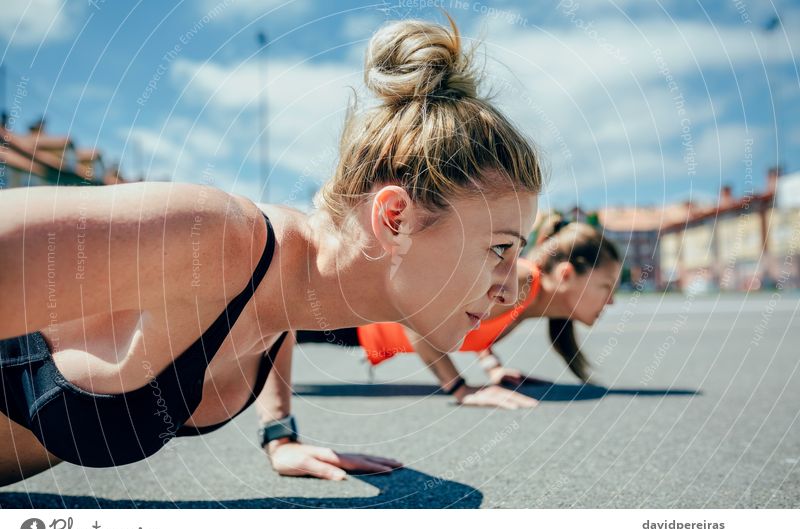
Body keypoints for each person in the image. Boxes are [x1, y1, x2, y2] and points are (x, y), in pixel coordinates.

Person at [0, 15, 543, 485]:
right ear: (394, 218)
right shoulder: (211, 238)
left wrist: (280, 435)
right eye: (499, 248)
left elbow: (273, 317)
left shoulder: (291, 287)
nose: (513, 283)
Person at [296, 215, 621, 410]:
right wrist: (460, 388)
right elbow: (416, 321)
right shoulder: (520, 282)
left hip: (361, 327)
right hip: (355, 315)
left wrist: (492, 366)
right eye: (606, 287)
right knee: (260, 336)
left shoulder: (527, 297)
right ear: (566, 276)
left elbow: (473, 315)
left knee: (262, 344)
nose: (611, 302)